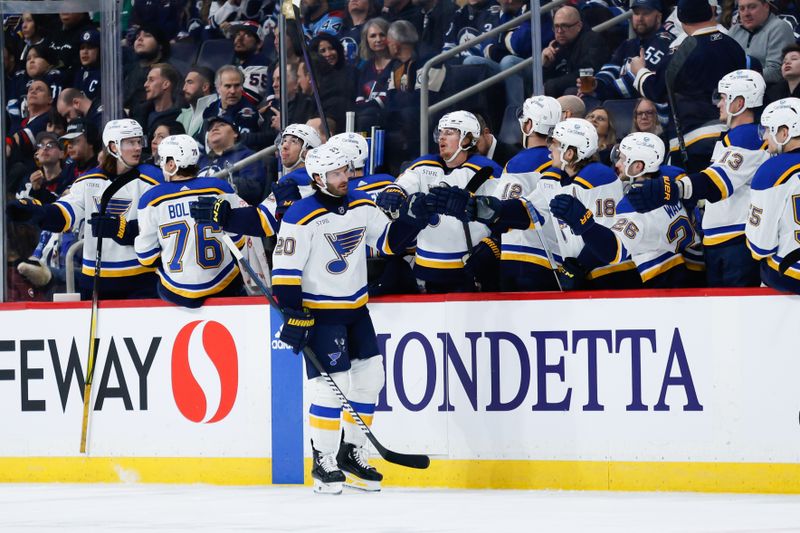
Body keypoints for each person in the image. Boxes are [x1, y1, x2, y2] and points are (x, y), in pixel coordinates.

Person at [270, 144, 430, 493]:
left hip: (357, 310)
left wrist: (414, 221)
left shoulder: (360, 205)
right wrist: (295, 314)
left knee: (371, 378)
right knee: (331, 387)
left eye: (346, 171)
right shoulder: (299, 215)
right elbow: (284, 273)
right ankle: (322, 460)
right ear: (317, 178)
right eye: (336, 174)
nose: (345, 178)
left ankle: (352, 453)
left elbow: (388, 243)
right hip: (321, 315)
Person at [428, 117, 637, 290]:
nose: (549, 150)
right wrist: (483, 207)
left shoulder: (599, 177)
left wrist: (581, 265)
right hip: (581, 278)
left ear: (570, 152)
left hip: (612, 276)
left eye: (554, 144)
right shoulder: (552, 178)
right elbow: (529, 211)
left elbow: (610, 240)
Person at [628, 69, 770, 287]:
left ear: (739, 103)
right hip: (723, 240)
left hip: (737, 240)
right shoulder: (734, 136)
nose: (718, 104)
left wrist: (670, 189)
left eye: (723, 98)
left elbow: (715, 183)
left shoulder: (748, 135)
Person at [6, 119, 162, 300]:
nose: (137, 148)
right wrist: (36, 213)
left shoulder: (154, 179)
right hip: (96, 281)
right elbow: (64, 215)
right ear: (113, 147)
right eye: (130, 143)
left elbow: (161, 226)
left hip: (142, 279)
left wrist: (121, 229)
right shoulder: (88, 181)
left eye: (138, 141)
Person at [375, 110, 503, 293]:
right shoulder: (424, 165)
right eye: (440, 132)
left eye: (449, 133)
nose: (441, 138)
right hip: (429, 271)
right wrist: (394, 192)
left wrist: (492, 246)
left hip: (470, 271)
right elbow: (404, 183)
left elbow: (501, 213)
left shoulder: (486, 170)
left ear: (467, 139)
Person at [550, 132, 698, 288]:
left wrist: (584, 223)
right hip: (696, 267)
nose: (617, 164)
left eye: (623, 159)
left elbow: (614, 251)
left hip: (663, 281)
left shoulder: (634, 206)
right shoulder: (673, 177)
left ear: (638, 166)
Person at [628, 0, 747, 172]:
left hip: (693, 138)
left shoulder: (683, 49)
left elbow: (656, 90)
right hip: (730, 135)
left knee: (693, 193)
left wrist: (639, 70)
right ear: (710, 11)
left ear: (681, 18)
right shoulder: (733, 45)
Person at [136, 134, 246, 307]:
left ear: (172, 164)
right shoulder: (219, 188)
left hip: (176, 291)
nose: (162, 166)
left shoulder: (151, 198)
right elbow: (239, 241)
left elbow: (146, 257)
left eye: (163, 161)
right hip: (223, 284)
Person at [492, 95, 561, 291]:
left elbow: (497, 212)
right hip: (553, 259)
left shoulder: (516, 163)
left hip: (517, 258)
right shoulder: (562, 161)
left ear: (528, 125)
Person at [746, 97, 800, 292]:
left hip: (789, 278)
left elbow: (761, 246)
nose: (764, 137)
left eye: (768, 130)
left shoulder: (772, 170)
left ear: (784, 132)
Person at [197, 115, 267, 206]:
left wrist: (216, 184)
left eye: (221, 125)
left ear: (235, 133)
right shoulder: (199, 161)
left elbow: (253, 189)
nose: (214, 128)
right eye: (210, 128)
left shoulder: (247, 155)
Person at [541, 5, 609, 98]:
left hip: (588, 93)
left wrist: (551, 86)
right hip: (559, 94)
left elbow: (585, 74)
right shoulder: (555, 46)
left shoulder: (593, 40)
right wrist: (545, 65)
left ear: (579, 26)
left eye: (565, 26)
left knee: (571, 92)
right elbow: (544, 81)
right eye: (556, 26)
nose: (560, 31)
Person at [728, 0, 794, 84]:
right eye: (742, 8)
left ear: (766, 7)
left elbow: (776, 72)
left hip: (768, 93)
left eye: (752, 7)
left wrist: (740, 78)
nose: (746, 14)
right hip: (734, 90)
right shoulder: (734, 31)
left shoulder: (779, 28)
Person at [355, 18, 392, 131]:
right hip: (366, 116)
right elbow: (359, 97)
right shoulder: (365, 67)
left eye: (382, 35)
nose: (378, 39)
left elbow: (388, 96)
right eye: (373, 36)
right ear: (366, 40)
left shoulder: (397, 64)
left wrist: (365, 107)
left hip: (388, 117)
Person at [132, 62, 183, 137]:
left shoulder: (179, 118)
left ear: (165, 84)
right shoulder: (138, 112)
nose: (145, 84)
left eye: (151, 80)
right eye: (147, 80)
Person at [177, 66, 217, 137]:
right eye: (185, 83)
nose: (184, 88)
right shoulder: (182, 116)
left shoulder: (218, 112)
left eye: (190, 82)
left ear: (205, 87)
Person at [73, 27, 101, 102]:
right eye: (82, 48)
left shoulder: (105, 74)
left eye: (90, 47)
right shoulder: (79, 73)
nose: (85, 52)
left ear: (100, 50)